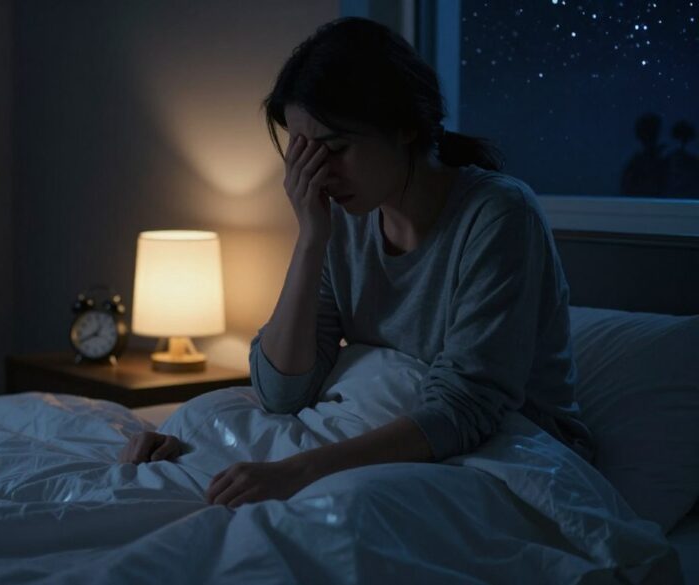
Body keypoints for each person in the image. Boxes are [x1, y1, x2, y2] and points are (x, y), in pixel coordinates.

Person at [119, 16, 595, 509]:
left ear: (405, 125)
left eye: (335, 149)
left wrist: (296, 472)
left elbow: (464, 408)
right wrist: (310, 240)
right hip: (387, 431)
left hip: (508, 450)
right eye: (303, 154)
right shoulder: (347, 219)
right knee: (201, 433)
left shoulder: (498, 215)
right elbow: (282, 393)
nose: (319, 175)